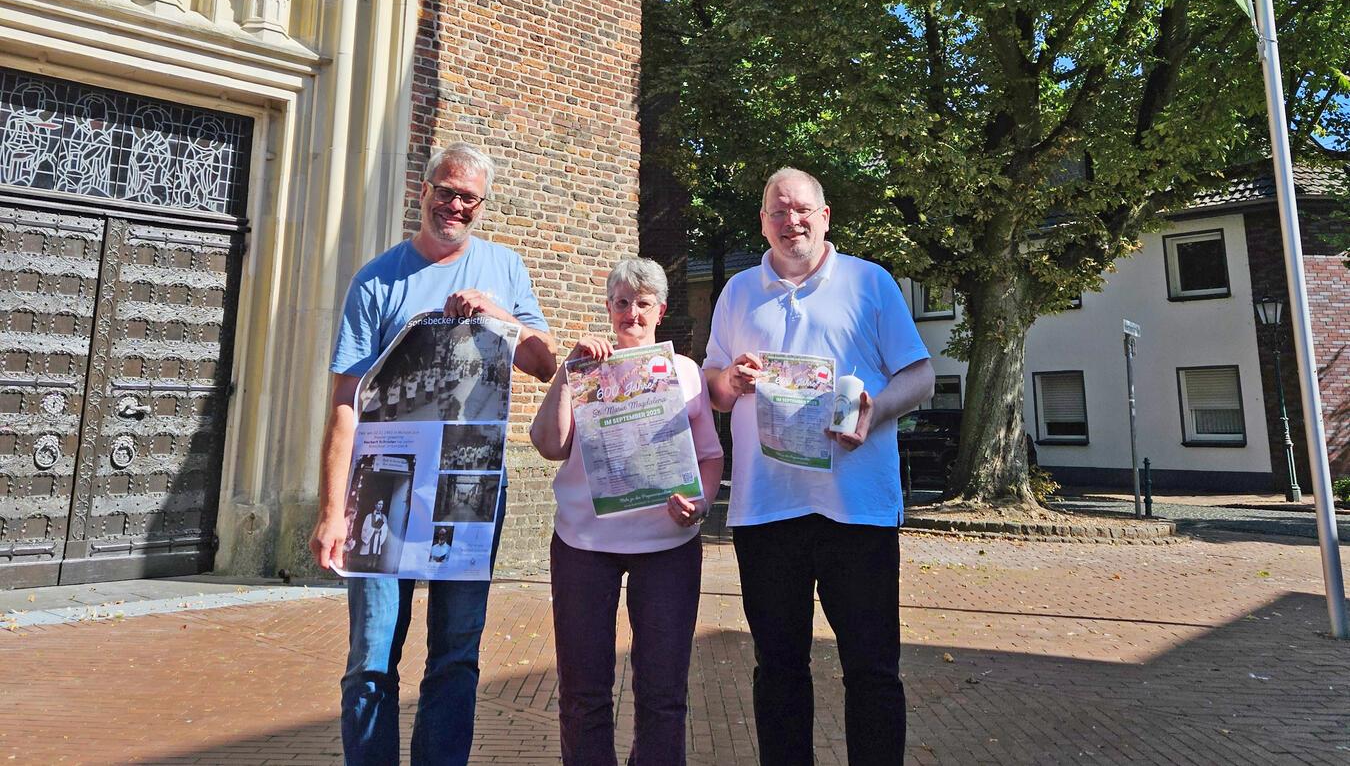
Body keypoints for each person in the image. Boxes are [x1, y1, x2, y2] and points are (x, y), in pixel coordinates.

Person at [309, 142, 557, 766]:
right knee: (371, 657)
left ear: (481, 204)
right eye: (445, 190)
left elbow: (546, 364)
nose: (454, 204)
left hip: (468, 487)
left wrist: (499, 314)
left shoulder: (505, 267)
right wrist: (331, 510)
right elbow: (346, 402)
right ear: (422, 191)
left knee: (455, 652)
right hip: (381, 487)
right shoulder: (377, 279)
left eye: (468, 196)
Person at [703, 168, 934, 766]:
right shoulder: (736, 292)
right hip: (766, 510)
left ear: (825, 216)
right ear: (763, 222)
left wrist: (875, 409)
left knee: (873, 670)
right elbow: (713, 386)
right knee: (777, 670)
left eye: (801, 209)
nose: (791, 222)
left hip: (856, 510)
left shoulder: (869, 282)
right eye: (777, 212)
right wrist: (728, 380)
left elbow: (922, 376)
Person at [530, 258, 723, 766]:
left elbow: (709, 456)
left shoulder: (686, 373)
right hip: (584, 546)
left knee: (663, 691)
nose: (631, 314)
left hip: (666, 547)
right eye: (621, 303)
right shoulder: (585, 369)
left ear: (660, 310)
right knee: (583, 690)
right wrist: (566, 376)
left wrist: (700, 505)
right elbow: (548, 444)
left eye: (642, 304)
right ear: (608, 307)